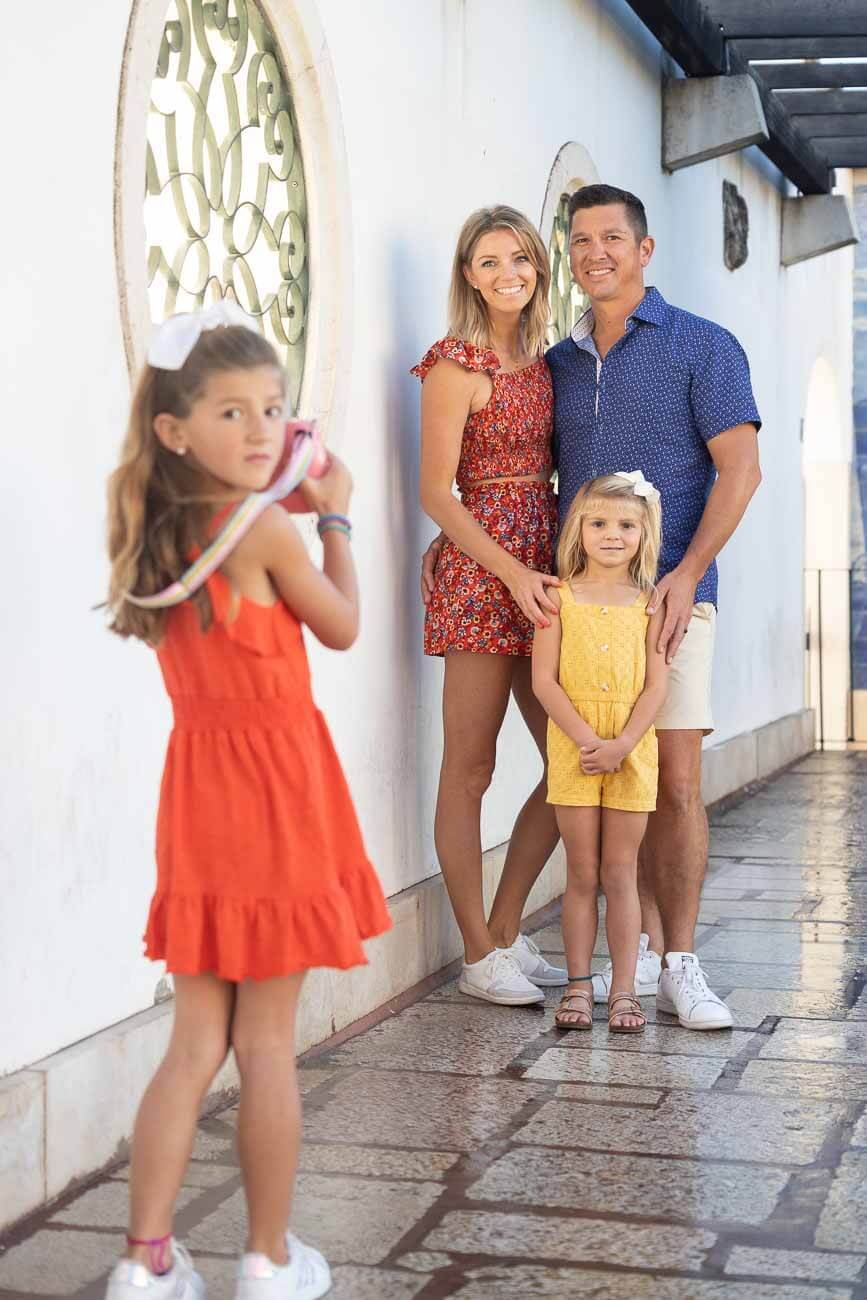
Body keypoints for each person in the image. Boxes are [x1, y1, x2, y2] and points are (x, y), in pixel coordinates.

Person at [102, 304, 391, 1300]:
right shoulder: (264, 530)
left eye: (274, 407)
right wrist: (338, 514)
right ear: (177, 429)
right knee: (265, 1043)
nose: (265, 428)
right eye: (234, 411)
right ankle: (268, 1257)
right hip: (277, 795)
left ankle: (146, 1263)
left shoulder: (159, 528)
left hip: (197, 798)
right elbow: (343, 626)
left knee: (193, 1044)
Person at [424, 184, 761, 1030]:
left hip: (636, 597)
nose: (594, 253)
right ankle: (502, 946)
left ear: (643, 250)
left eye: (612, 238)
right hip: (533, 587)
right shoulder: (537, 362)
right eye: (579, 241)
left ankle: (657, 956)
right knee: (526, 765)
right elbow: (466, 481)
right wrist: (488, 555)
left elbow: (741, 469)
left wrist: (684, 573)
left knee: (643, 777)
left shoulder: (690, 347)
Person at [414, 205, 567, 1006]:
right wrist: (509, 570)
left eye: (519, 258)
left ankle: (506, 929)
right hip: (483, 571)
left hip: (544, 566)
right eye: (487, 261)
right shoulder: (454, 365)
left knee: (570, 761)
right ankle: (477, 954)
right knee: (470, 767)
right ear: (467, 275)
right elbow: (435, 494)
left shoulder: (544, 362)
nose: (506, 272)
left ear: (538, 268)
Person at [532, 472, 668, 1033]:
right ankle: (579, 986)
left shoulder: (650, 603)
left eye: (626, 525)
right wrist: (591, 744)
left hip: (632, 749)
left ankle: (626, 990)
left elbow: (657, 686)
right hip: (576, 746)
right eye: (599, 523)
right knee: (582, 871)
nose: (612, 535)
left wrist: (622, 745)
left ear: (644, 532)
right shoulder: (558, 599)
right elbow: (544, 682)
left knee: (622, 871)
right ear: (579, 529)